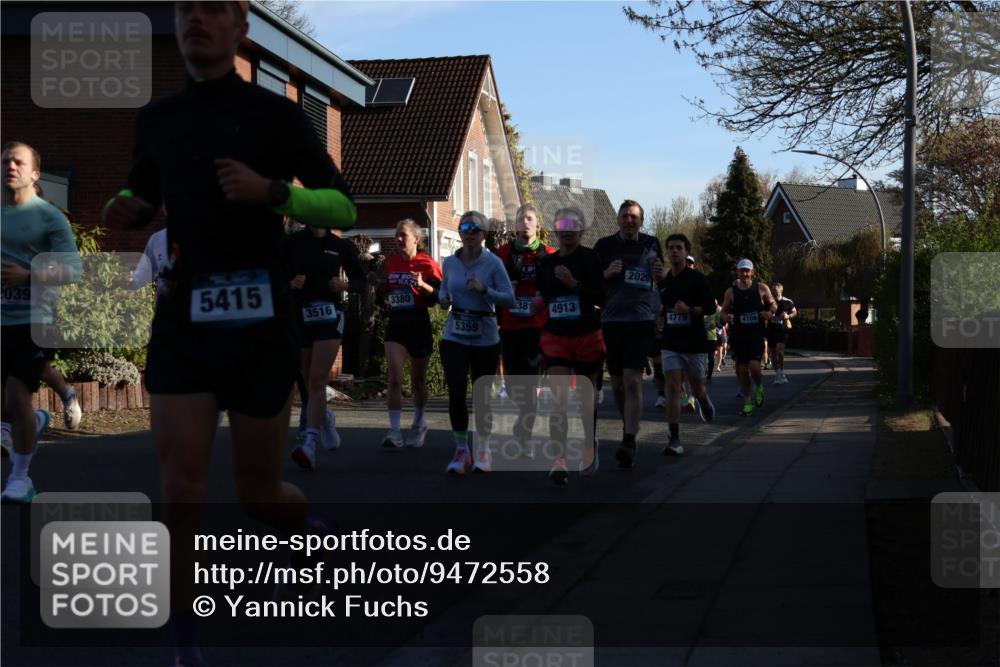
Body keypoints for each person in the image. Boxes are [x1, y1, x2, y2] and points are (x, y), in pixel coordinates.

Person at [100, 2, 356, 664]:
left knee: (258, 494)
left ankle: (309, 528)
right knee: (180, 488)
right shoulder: (158, 118)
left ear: (240, 28)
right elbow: (133, 193)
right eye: (188, 7)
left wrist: (275, 193)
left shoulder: (276, 115)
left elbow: (344, 204)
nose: (197, 19)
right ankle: (188, 650)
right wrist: (119, 208)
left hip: (260, 321)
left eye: (214, 9)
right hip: (185, 319)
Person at [1, 141, 81, 501]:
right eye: (5, 161)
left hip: (33, 319)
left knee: (18, 396)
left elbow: (74, 270)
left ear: (35, 173)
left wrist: (28, 274)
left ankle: (20, 479)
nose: (10, 166)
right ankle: (31, 424)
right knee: (9, 406)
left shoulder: (50, 217)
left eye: (18, 162)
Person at [438, 211, 515, 475]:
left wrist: (485, 291)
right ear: (459, 233)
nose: (469, 233)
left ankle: (484, 449)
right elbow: (443, 288)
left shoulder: (493, 263)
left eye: (475, 229)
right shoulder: (450, 262)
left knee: (482, 395)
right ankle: (462, 452)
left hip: (485, 336)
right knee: (457, 392)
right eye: (465, 228)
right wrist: (443, 297)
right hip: (455, 335)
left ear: (483, 235)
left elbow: (510, 299)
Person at [534, 207, 606, 484]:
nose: (566, 230)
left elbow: (601, 297)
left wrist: (574, 283)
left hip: (587, 334)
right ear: (555, 228)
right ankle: (559, 459)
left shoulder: (590, 258)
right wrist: (537, 304)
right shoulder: (547, 264)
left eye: (572, 226)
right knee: (558, 401)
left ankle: (590, 444)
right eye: (562, 225)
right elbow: (543, 296)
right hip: (556, 338)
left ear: (581, 230)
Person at [284, 224, 364, 469]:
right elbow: (275, 272)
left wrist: (344, 286)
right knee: (308, 381)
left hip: (329, 315)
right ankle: (326, 417)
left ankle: (309, 444)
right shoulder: (293, 242)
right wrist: (289, 282)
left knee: (317, 380)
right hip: (301, 314)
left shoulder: (340, 245)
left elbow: (360, 280)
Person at [593, 200, 664, 469]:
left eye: (634, 217)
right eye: (625, 216)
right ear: (618, 220)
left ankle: (629, 439)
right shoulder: (604, 246)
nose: (629, 221)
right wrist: (606, 273)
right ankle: (628, 425)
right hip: (612, 321)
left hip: (641, 319)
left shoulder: (652, 243)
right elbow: (591, 284)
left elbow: (659, 279)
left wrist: (662, 275)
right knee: (619, 384)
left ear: (641, 221)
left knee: (634, 380)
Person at [371, 219, 442, 448]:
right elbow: (388, 293)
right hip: (397, 324)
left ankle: (419, 422)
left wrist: (424, 285)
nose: (399, 239)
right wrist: (378, 284)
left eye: (403, 235)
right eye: (397, 235)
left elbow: (439, 298)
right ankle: (394, 431)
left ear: (416, 239)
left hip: (418, 323)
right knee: (394, 377)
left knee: (418, 380)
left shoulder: (428, 263)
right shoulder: (391, 262)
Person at [496, 203, 555, 457]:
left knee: (530, 383)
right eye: (521, 219)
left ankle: (524, 432)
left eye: (530, 218)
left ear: (538, 226)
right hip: (509, 326)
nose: (525, 223)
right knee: (510, 385)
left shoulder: (549, 254)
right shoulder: (502, 254)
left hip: (536, 327)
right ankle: (524, 419)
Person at [657, 234, 716, 455]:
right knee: (672, 386)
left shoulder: (697, 279)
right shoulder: (663, 283)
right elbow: (660, 309)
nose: (674, 251)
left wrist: (690, 310)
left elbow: (710, 307)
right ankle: (674, 438)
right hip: (671, 342)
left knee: (697, 387)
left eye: (678, 248)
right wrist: (659, 316)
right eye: (670, 248)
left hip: (694, 343)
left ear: (686, 251)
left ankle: (703, 400)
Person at [721, 259, 776, 417]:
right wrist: (726, 317)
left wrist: (769, 313)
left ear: (752, 272)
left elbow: (773, 305)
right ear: (737, 272)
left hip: (756, 334)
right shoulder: (730, 292)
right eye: (741, 270)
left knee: (754, 368)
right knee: (741, 371)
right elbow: (723, 311)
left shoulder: (761, 288)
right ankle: (747, 402)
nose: (744, 273)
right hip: (738, 335)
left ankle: (759, 386)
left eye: (747, 270)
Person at [768, 282, 797, 384]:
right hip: (771, 330)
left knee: (779, 351)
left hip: (782, 330)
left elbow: (794, 312)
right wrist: (768, 315)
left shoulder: (788, 302)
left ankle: (781, 371)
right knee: (772, 354)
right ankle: (778, 374)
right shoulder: (768, 302)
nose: (773, 292)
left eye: (775, 290)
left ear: (780, 290)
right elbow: (764, 313)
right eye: (772, 290)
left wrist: (788, 316)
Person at [704, 298, 723, 384]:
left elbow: (721, 324)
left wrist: (714, 324)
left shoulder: (717, 311)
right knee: (701, 356)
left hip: (712, 337)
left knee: (710, 357)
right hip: (700, 338)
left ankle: (709, 376)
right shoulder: (700, 309)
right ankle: (704, 371)